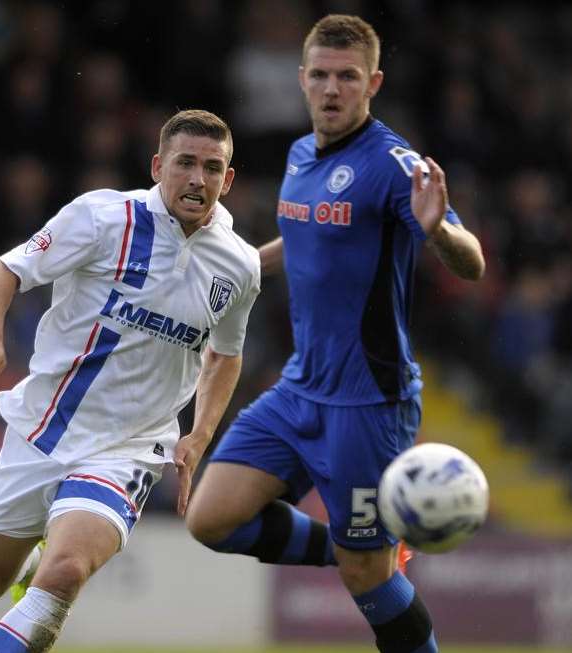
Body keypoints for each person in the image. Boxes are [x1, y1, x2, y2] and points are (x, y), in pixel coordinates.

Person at [185, 15, 485, 653]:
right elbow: (302, 240)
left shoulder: (392, 164)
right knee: (209, 519)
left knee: (366, 583)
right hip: (299, 391)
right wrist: (228, 269)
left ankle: (369, 561)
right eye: (319, 75)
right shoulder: (300, 154)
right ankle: (364, 553)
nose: (330, 89)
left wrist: (438, 231)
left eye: (346, 77)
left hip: (369, 403)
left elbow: (473, 262)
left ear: (372, 82)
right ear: (301, 79)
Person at [0, 109, 261, 652]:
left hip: (130, 447)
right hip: (42, 426)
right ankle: (33, 560)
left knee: (66, 573)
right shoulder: (101, 218)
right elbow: (3, 272)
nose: (198, 178)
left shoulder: (239, 264)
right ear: (157, 167)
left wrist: (199, 434)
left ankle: (48, 570)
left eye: (212, 167)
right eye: (185, 163)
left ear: (228, 179)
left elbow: (226, 354)